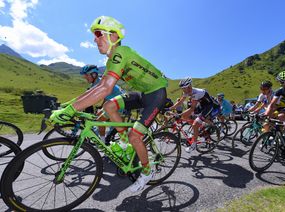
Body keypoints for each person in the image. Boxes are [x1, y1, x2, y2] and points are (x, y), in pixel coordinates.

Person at [50, 16, 168, 192]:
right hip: (143, 94)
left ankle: (147, 171)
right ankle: (123, 142)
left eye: (98, 34)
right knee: (109, 106)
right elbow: (97, 88)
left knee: (135, 136)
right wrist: (68, 105)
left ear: (113, 36)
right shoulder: (111, 60)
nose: (94, 39)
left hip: (157, 94)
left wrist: (71, 110)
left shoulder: (122, 52)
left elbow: (105, 88)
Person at [170, 77, 220, 153]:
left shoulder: (196, 93)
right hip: (201, 105)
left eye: (184, 88)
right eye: (182, 88)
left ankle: (194, 144)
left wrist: (179, 115)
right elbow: (180, 102)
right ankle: (199, 129)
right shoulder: (186, 92)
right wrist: (171, 108)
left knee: (195, 123)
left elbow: (192, 108)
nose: (183, 90)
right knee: (186, 117)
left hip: (208, 106)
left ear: (189, 86)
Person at [80, 64, 125, 141]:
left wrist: (79, 107)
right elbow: (106, 96)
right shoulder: (97, 82)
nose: (86, 78)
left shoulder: (100, 83)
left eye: (87, 75)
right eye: (85, 76)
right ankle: (106, 138)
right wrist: (101, 106)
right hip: (114, 103)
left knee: (101, 120)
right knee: (98, 116)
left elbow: (91, 98)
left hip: (120, 104)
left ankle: (103, 141)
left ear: (94, 75)